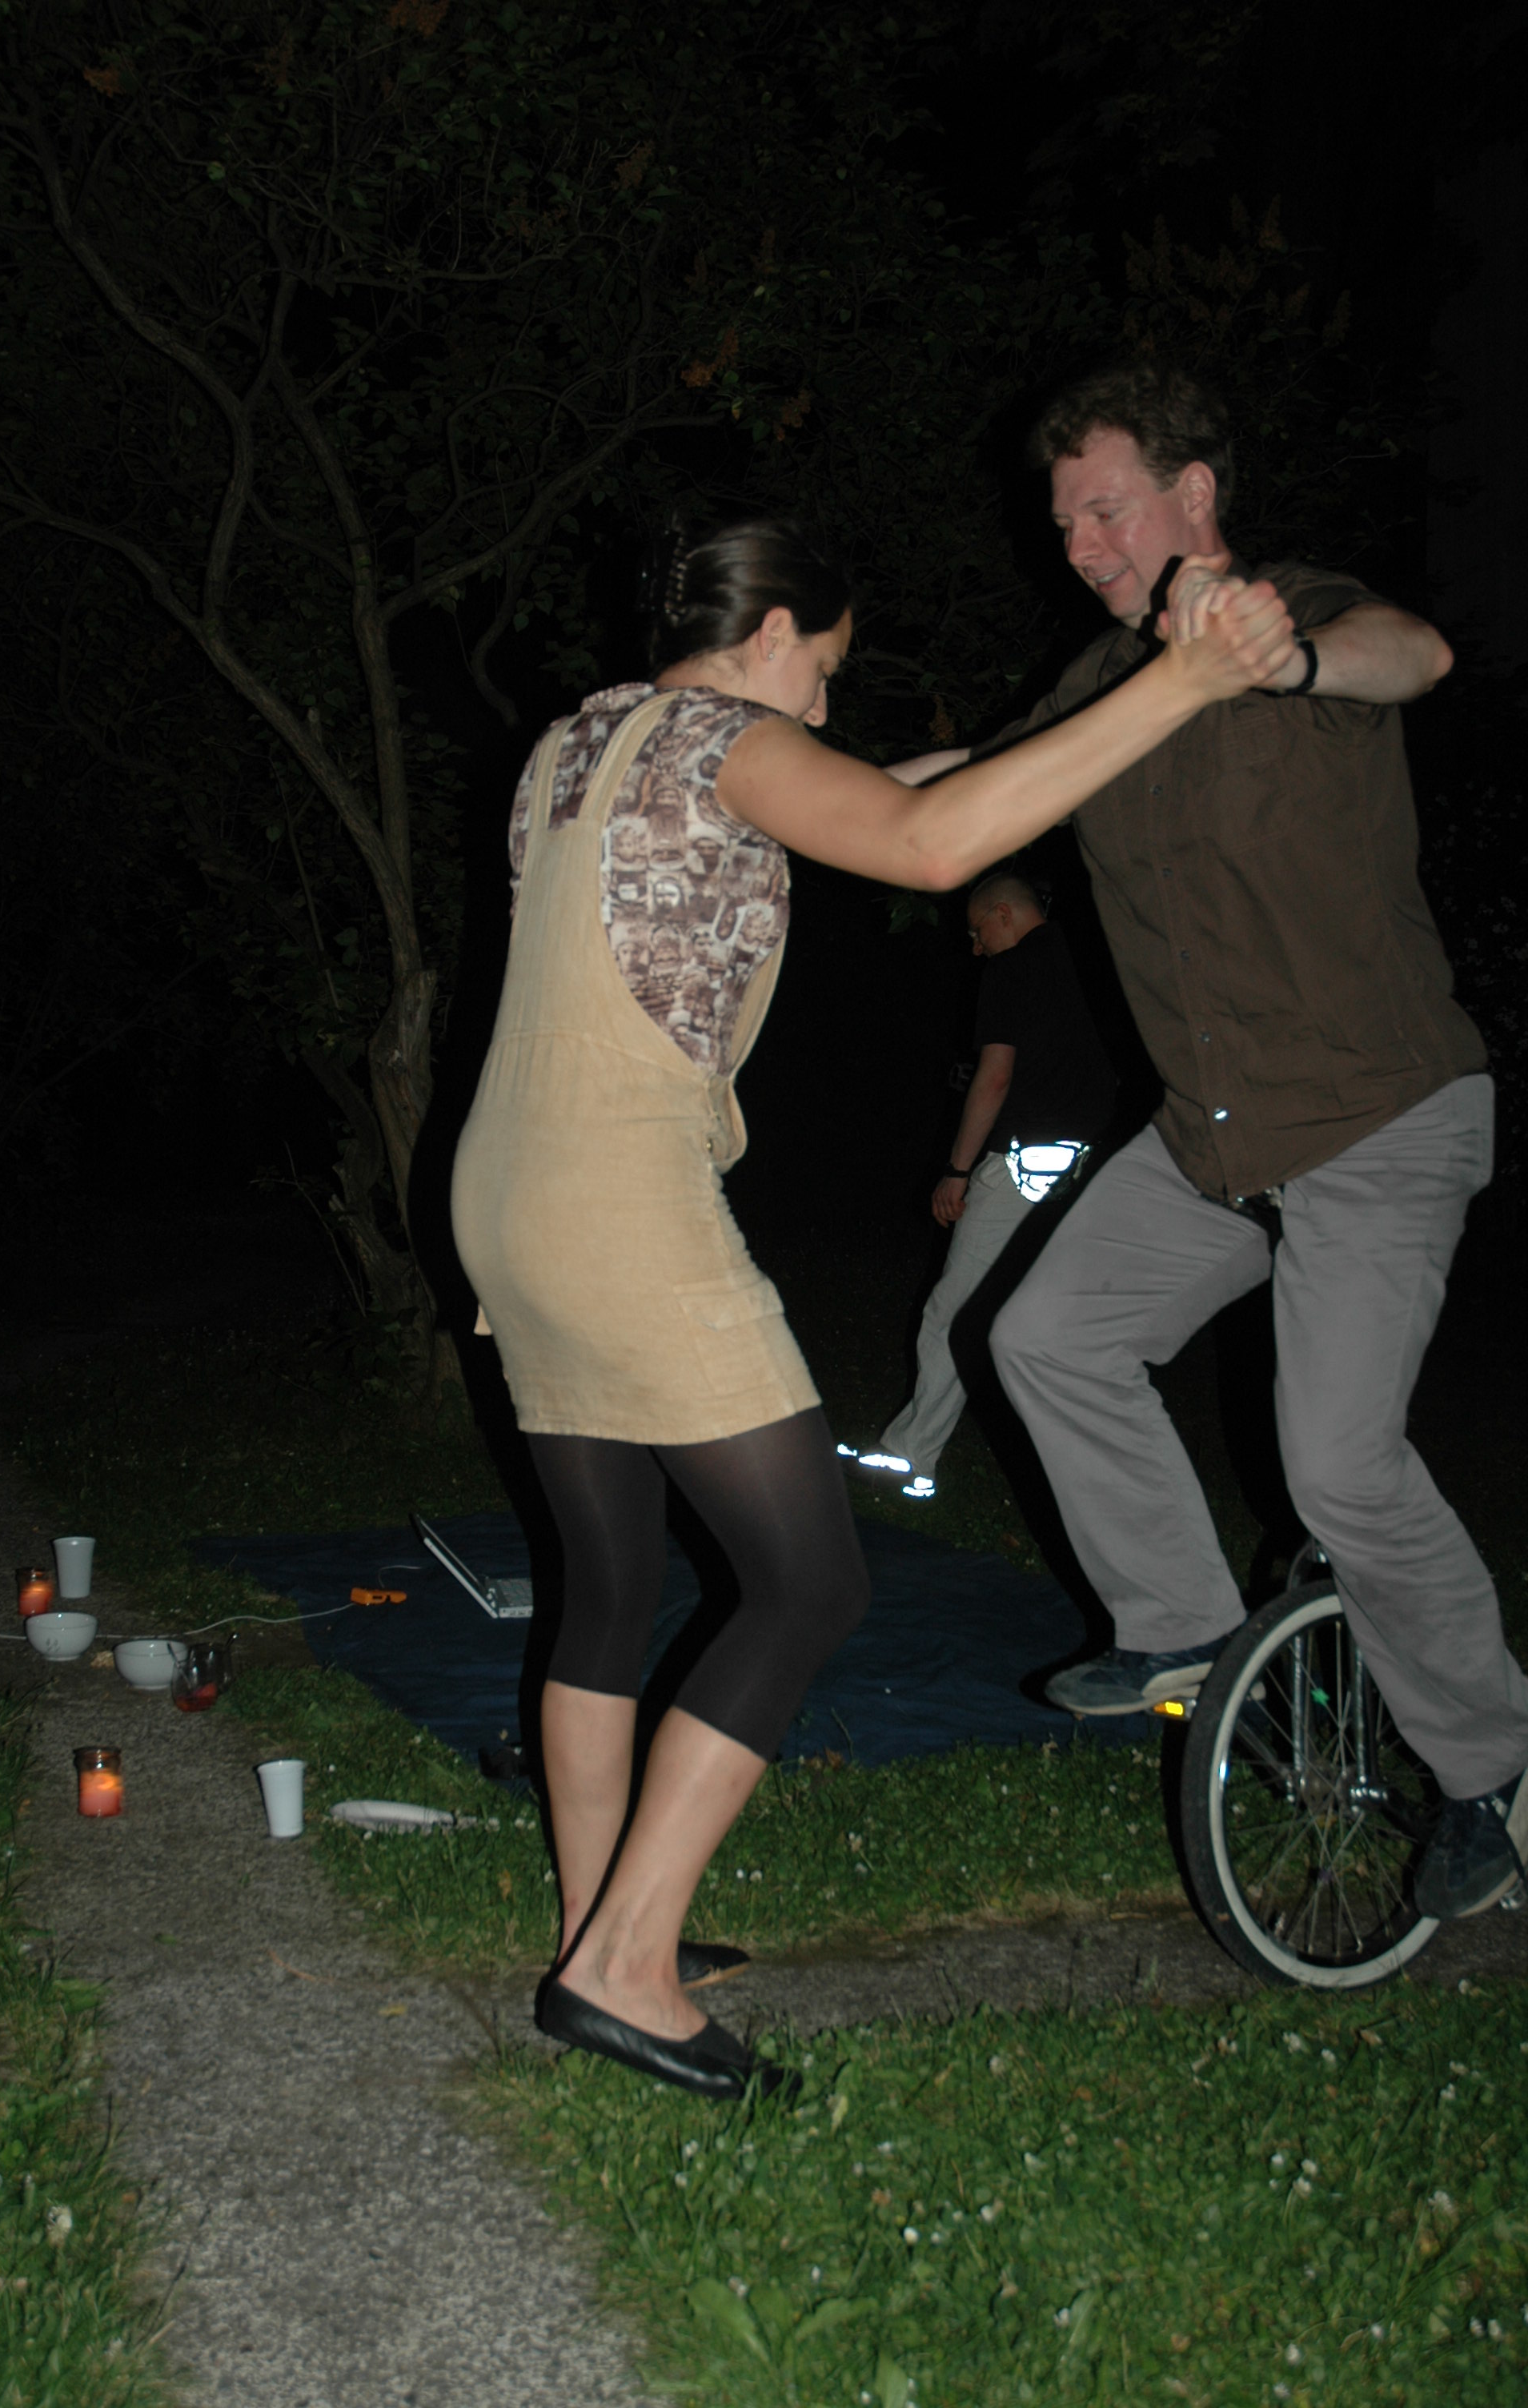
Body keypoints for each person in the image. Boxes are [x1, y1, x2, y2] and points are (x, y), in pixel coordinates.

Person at [451, 512, 1297, 2101]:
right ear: (771, 634)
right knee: (808, 1580)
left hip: (504, 1188)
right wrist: (1180, 681)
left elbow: (881, 793)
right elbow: (923, 844)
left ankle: (596, 1925)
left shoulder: (582, 743)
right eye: (825, 670)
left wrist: (1048, 737)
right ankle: (622, 1968)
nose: (825, 706)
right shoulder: (731, 738)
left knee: (608, 1583)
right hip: (617, 1192)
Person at [931, 362, 1523, 1921]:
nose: (1077, 544)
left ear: (1194, 495)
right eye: (1062, 521)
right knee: (1043, 1334)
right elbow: (965, 781)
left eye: (1104, 508)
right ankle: (1183, 1623)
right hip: (1212, 1136)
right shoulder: (1101, 680)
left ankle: (1498, 1769)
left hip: (1379, 1114)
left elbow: (1411, 654)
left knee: (1338, 1464)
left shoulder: (1296, 613)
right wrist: (768, 777)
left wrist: (1290, 654)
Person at [842, 871, 1117, 1502]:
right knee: (1055, 1320)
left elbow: (994, 1077)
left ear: (1004, 914)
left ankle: (910, 1456)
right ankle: (1091, 1474)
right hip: (1092, 1167)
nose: (975, 946)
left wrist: (958, 1170)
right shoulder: (1095, 962)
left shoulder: (1013, 970)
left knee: (956, 1308)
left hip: (1023, 1165)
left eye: (976, 931)